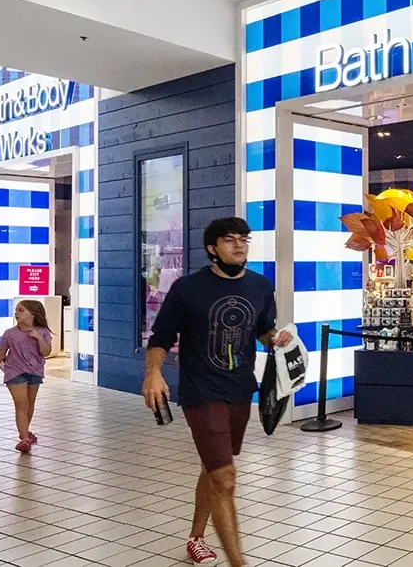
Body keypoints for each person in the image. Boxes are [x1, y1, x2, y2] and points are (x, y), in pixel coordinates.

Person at [143, 217, 291, 567]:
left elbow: (262, 328)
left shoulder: (260, 286)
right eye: (229, 240)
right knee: (225, 477)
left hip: (240, 389)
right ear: (212, 248)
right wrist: (153, 373)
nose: (239, 245)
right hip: (201, 390)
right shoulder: (187, 289)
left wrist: (275, 339)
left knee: (215, 469)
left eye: (244, 239)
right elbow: (161, 336)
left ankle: (196, 537)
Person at [0, 299, 53, 453]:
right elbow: (0, 353)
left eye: (21, 310)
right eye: (16, 310)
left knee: (29, 404)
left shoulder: (43, 332)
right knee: (21, 404)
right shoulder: (10, 333)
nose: (16, 313)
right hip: (14, 371)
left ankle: (25, 432)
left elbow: (46, 352)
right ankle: (24, 439)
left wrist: (39, 338)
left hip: (35, 372)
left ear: (33, 314)